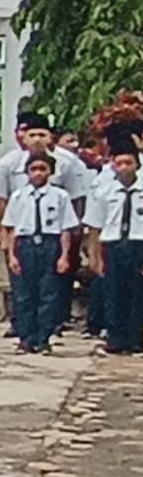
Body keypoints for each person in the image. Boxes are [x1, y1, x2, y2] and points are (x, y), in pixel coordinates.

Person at [0, 148, 80, 356]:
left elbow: (65, 229)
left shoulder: (60, 196)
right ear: (26, 172)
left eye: (42, 169)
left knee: (49, 293)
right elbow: (11, 229)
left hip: (49, 244)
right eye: (33, 169)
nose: (37, 173)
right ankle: (26, 338)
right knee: (23, 295)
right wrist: (11, 255)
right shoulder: (18, 197)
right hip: (25, 245)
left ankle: (43, 338)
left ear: (50, 172)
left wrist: (64, 255)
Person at [93, 139, 141, 358]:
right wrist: (95, 256)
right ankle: (115, 337)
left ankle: (135, 338)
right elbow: (95, 224)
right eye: (119, 163)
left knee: (136, 292)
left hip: (138, 244)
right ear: (112, 165)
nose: (124, 168)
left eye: (128, 163)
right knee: (113, 292)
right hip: (112, 244)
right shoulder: (105, 192)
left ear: (137, 165)